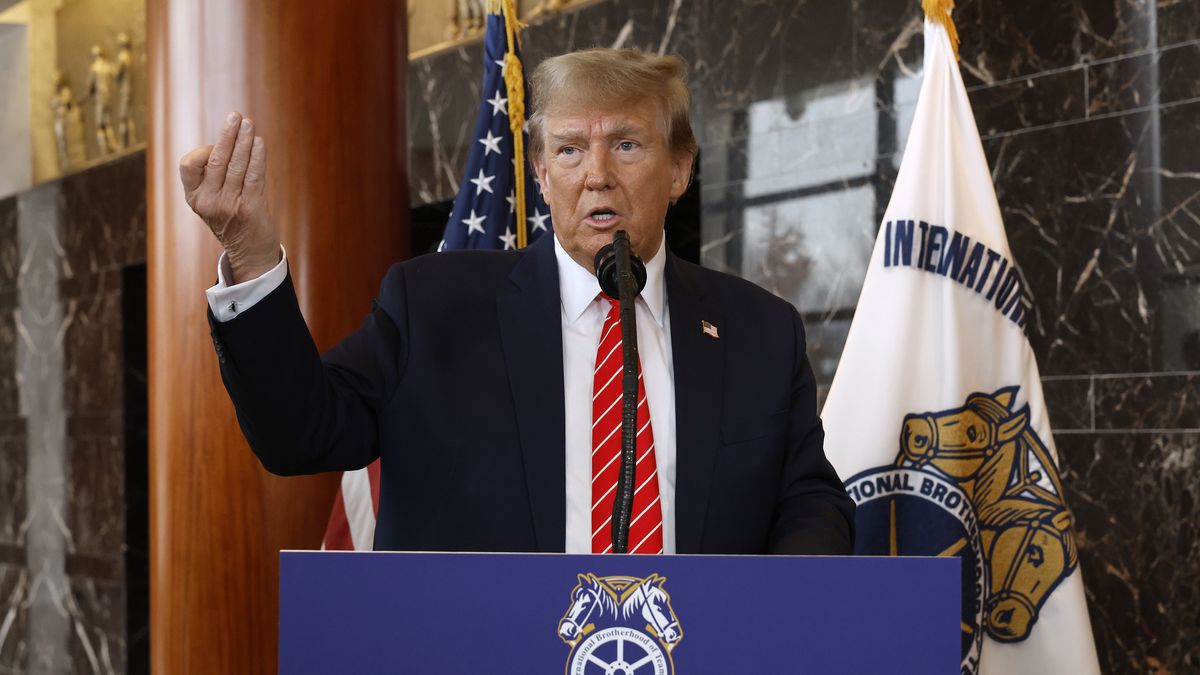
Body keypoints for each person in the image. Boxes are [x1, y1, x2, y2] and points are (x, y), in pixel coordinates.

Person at [178, 48, 854, 555]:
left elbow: (809, 499)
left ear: (679, 168)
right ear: (538, 169)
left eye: (626, 144)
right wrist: (252, 256)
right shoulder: (433, 306)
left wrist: (775, 609)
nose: (597, 175)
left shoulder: (761, 331)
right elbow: (301, 432)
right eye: (568, 149)